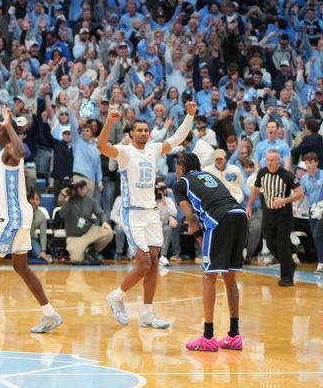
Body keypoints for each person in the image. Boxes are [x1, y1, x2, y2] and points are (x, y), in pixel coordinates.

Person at [0, 106, 63, 335]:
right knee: (20, 266)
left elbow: (22, 151)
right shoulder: (1, 151)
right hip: (18, 215)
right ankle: (50, 314)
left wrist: (8, 126)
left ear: (7, 132)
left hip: (14, 217)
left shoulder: (9, 149)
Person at [98, 102, 197, 328]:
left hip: (151, 213)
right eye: (139, 130)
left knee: (153, 264)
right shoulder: (124, 152)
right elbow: (101, 145)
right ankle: (116, 297)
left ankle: (147, 314)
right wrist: (109, 121)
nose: (143, 133)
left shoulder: (153, 149)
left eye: (146, 130)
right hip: (132, 214)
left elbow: (177, 139)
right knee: (143, 263)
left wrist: (189, 116)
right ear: (131, 133)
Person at [173, 152, 247, 352]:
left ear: (181, 168)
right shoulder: (210, 176)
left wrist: (197, 236)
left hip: (219, 219)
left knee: (209, 276)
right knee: (230, 278)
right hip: (239, 215)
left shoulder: (180, 183)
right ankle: (234, 335)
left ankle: (207, 337)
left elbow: (189, 216)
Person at [246, 149, 303, 286]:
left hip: (284, 213)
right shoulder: (262, 173)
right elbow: (255, 190)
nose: (269, 163)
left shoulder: (287, 175)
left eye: (272, 160)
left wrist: (284, 200)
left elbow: (299, 193)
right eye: (267, 160)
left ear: (279, 161)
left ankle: (287, 278)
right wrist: (248, 205)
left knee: (282, 243)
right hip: (268, 213)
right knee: (270, 243)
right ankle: (289, 264)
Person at [57, 178, 113, 264]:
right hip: (74, 237)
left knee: (109, 233)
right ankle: (84, 252)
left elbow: (101, 213)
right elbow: (61, 215)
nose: (81, 190)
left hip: (89, 231)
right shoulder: (69, 201)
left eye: (83, 187)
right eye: (79, 187)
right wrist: (66, 199)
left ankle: (92, 251)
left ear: (86, 188)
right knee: (76, 260)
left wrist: (104, 221)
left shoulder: (91, 200)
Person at [300, 152, 323, 273]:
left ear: (316, 163)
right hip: (312, 210)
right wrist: (296, 207)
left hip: (322, 208)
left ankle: (321, 263)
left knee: (317, 235)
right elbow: (302, 194)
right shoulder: (304, 178)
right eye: (307, 163)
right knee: (316, 236)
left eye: (311, 162)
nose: (309, 165)